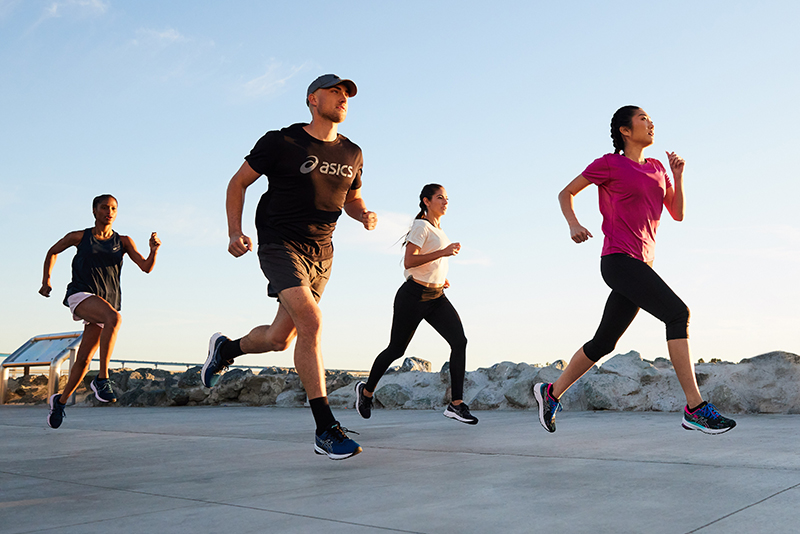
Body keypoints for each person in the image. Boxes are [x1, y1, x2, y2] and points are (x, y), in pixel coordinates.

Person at [202, 74, 377, 460]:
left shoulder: (353, 153)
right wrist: (235, 231)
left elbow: (351, 199)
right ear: (312, 99)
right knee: (311, 322)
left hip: (323, 253)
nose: (342, 99)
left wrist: (363, 214)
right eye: (335, 92)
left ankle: (227, 349)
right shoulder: (281, 141)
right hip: (280, 244)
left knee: (282, 338)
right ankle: (325, 428)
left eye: (346, 94)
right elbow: (237, 183)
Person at [534, 106, 736, 435]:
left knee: (604, 342)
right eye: (643, 119)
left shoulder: (657, 168)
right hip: (618, 260)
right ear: (625, 131)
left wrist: (679, 176)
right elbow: (566, 192)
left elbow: (677, 212)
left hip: (642, 265)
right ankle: (695, 408)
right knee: (677, 313)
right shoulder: (609, 164)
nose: (650, 123)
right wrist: (573, 224)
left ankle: (551, 393)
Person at [354, 184, 476, 425]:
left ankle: (456, 404)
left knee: (459, 341)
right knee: (396, 349)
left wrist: (440, 277)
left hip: (436, 297)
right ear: (426, 201)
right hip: (413, 297)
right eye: (440, 197)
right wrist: (443, 253)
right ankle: (366, 392)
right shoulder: (421, 226)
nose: (445, 201)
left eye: (447, 198)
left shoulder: (438, 229)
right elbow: (409, 261)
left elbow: (428, 262)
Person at [40, 194, 161, 429]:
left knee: (84, 358)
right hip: (81, 294)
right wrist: (46, 280)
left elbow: (146, 267)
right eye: (104, 207)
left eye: (113, 208)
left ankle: (60, 402)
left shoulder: (123, 241)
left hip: (107, 302)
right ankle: (103, 378)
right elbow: (52, 251)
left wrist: (153, 250)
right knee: (114, 318)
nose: (109, 211)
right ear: (94, 211)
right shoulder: (80, 237)